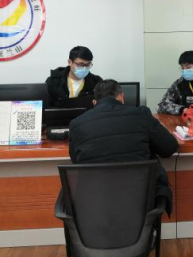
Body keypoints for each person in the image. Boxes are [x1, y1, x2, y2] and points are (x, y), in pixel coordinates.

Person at [68, 79, 179, 214]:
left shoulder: (76, 124)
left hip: (95, 207)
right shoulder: (141, 114)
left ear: (94, 103)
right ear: (121, 97)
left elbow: (76, 160)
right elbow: (169, 148)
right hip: (141, 203)